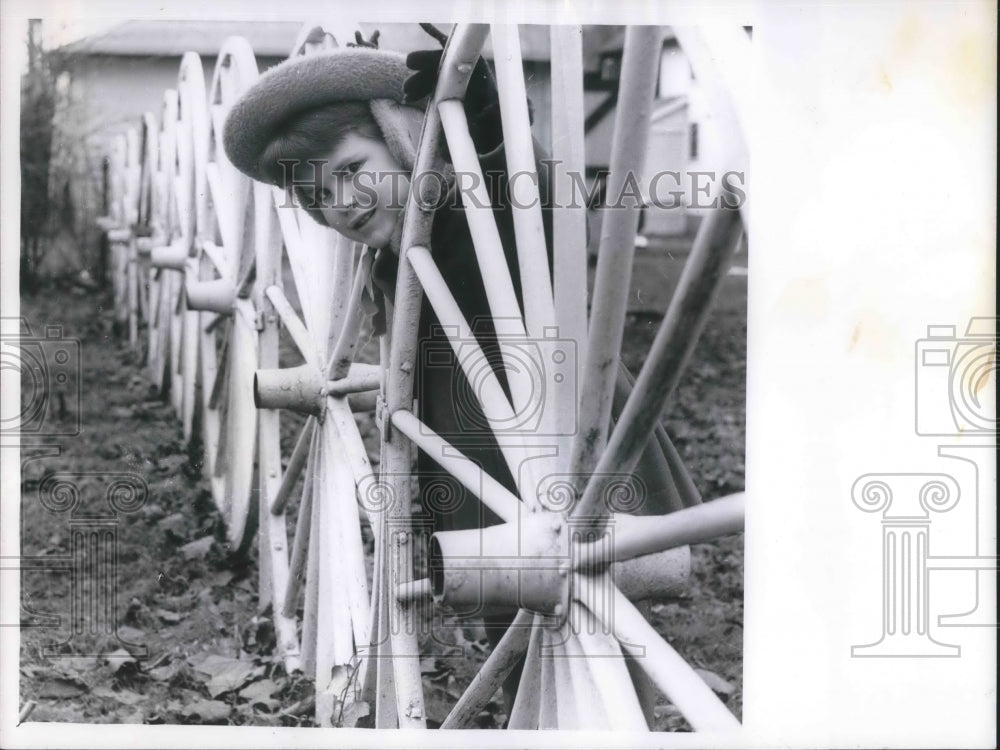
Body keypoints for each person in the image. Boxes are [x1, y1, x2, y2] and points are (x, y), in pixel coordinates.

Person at [223, 26, 686, 722]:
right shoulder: (392, 261)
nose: (341, 202)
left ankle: (609, 719)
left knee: (593, 625)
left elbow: (529, 192)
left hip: (554, 444)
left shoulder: (477, 211)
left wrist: (482, 125)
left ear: (406, 136)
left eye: (352, 169)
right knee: (521, 620)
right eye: (318, 196)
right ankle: (544, 712)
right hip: (472, 460)